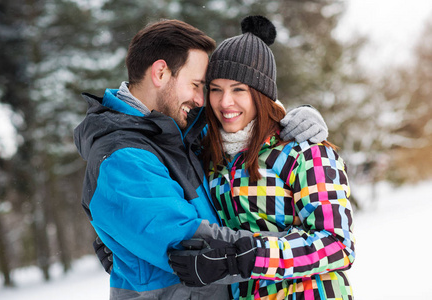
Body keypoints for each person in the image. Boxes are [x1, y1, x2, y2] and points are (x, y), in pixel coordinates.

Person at [74, 18, 329, 299]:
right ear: (160, 73)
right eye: (197, 85)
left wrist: (295, 117)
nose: (201, 99)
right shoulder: (123, 158)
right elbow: (195, 246)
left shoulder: (176, 130)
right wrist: (305, 247)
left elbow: (248, 120)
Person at [168, 16, 355, 300]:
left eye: (238, 89)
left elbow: (337, 245)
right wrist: (125, 238)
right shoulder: (210, 158)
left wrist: (244, 257)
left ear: (262, 94)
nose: (225, 102)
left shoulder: (305, 151)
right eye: (215, 89)